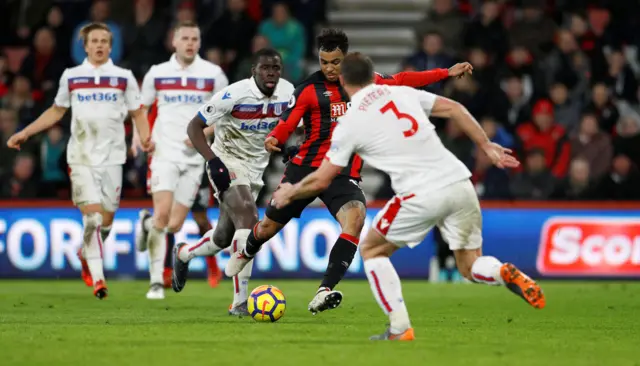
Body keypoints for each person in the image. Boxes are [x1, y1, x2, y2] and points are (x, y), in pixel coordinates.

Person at [272, 53, 545, 341]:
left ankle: (400, 328)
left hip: (421, 192)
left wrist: (293, 190)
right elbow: (453, 108)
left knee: (372, 250)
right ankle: (503, 271)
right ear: (372, 74)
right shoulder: (399, 93)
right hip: (460, 182)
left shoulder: (350, 120)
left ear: (343, 80)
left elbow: (323, 177)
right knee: (469, 265)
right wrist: (486, 144)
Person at [224, 28, 473, 314]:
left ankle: (324, 290)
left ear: (346, 59)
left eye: (335, 62)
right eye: (324, 61)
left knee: (354, 219)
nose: (329, 68)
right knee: (267, 228)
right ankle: (247, 250)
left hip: (342, 172)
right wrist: (275, 139)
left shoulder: (365, 83)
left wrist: (445, 73)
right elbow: (288, 122)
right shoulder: (307, 89)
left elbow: (404, 80)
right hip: (305, 170)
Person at [6, 22, 152, 299]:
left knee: (106, 221)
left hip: (112, 157)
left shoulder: (123, 77)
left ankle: (86, 254)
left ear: (110, 46)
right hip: (81, 157)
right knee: (93, 219)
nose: (99, 45)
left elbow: (138, 112)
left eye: (103, 41)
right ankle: (99, 280)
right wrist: (25, 132)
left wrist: (145, 139)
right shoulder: (72, 76)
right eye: (94, 41)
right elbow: (56, 111)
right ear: (84, 46)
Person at [171, 48, 294, 316]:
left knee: (224, 237)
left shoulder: (288, 93)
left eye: (276, 68)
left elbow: (291, 125)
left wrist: (290, 147)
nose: (271, 73)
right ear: (254, 71)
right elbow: (194, 126)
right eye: (265, 68)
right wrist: (213, 160)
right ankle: (239, 302)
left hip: (256, 170)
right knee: (250, 221)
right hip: (227, 162)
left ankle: (184, 253)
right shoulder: (233, 94)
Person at [132, 21, 228, 300]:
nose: (189, 43)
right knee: (164, 215)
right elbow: (140, 107)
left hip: (195, 158)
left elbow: (223, 115)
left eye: (194, 38)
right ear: (173, 42)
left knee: (173, 224)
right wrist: (141, 137)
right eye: (184, 38)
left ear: (199, 43)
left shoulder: (213, 75)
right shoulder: (157, 73)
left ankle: (146, 224)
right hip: (163, 153)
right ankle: (154, 283)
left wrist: (204, 132)